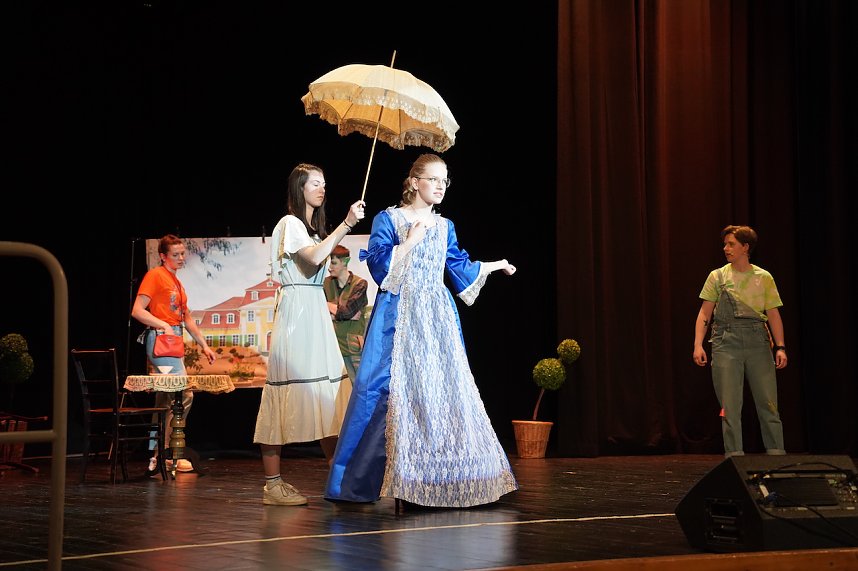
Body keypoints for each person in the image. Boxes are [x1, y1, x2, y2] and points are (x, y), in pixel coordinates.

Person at [325, 153, 519, 509]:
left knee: (441, 390)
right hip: (398, 314)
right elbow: (383, 273)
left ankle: (439, 477)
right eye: (433, 179)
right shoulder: (390, 219)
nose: (440, 186)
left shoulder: (445, 225)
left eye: (445, 181)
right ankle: (357, 482)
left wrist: (494, 265)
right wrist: (410, 240)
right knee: (383, 390)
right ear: (414, 182)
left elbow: (459, 266)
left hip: (437, 316)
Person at [254, 162, 365, 506]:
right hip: (297, 314)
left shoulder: (313, 230)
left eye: (324, 183)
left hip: (313, 312)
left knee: (328, 393)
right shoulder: (290, 224)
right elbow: (314, 259)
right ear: (299, 187)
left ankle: (338, 474)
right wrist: (347, 224)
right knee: (285, 392)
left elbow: (318, 253)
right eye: (315, 183)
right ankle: (272, 485)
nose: (322, 188)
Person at [693, 225, 788, 457]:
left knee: (768, 403)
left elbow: (773, 313)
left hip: (757, 340)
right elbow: (705, 313)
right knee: (730, 406)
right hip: (726, 341)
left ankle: (776, 457)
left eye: (731, 244)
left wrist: (780, 346)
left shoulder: (763, 277)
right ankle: (734, 457)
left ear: (746, 247)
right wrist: (698, 344)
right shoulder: (718, 276)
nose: (726, 248)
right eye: (725, 244)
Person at [131, 234, 217, 474]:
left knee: (165, 399)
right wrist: (162, 325)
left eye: (182, 254)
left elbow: (187, 318)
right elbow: (137, 311)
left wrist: (204, 345)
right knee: (183, 394)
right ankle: (170, 454)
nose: (181, 258)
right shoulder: (155, 276)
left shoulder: (176, 283)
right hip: (161, 339)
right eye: (175, 255)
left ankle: (158, 456)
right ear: (163, 256)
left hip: (174, 340)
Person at [323, 245, 369, 382]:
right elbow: (318, 310)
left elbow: (348, 312)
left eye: (334, 263)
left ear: (345, 262)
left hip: (352, 349)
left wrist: (328, 308)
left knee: (359, 387)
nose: (330, 267)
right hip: (332, 348)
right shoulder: (326, 283)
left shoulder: (360, 284)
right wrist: (337, 311)